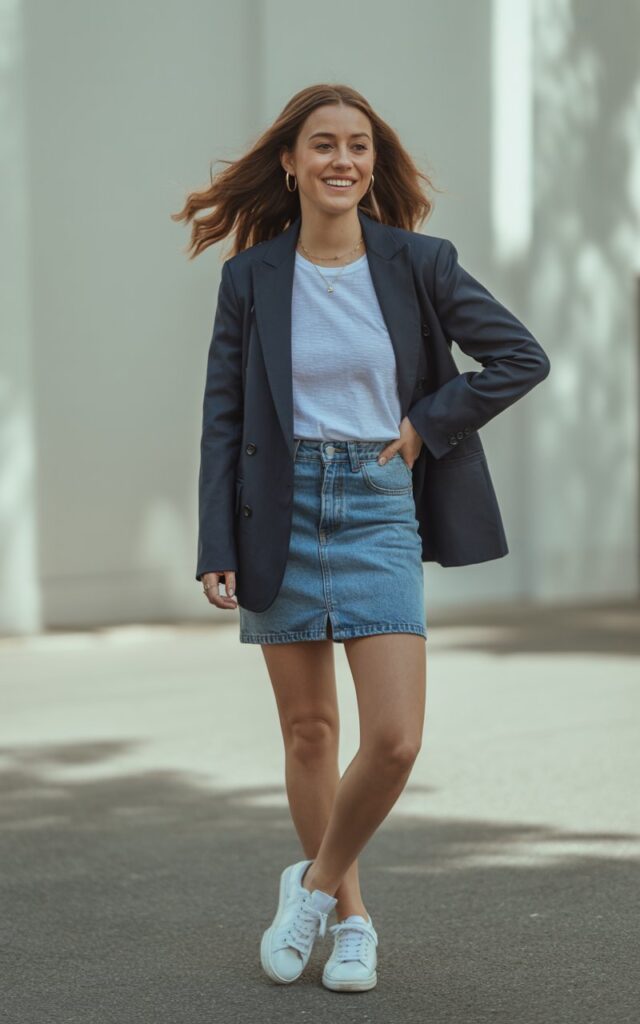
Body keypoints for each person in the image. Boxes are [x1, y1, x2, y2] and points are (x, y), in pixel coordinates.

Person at [172, 83, 550, 993]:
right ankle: (350, 919)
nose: (342, 159)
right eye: (323, 144)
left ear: (373, 166)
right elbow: (224, 416)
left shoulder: (419, 262)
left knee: (394, 739)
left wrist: (425, 424)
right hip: (278, 504)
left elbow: (519, 357)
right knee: (309, 732)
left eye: (358, 146)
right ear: (291, 163)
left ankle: (307, 886)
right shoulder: (252, 277)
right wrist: (215, 539)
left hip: (378, 502)